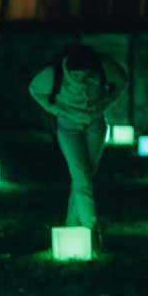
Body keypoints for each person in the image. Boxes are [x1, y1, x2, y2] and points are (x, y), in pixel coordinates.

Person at [28, 44, 126, 249]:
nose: (82, 79)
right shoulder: (53, 73)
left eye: (86, 75)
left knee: (84, 177)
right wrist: (53, 108)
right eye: (76, 75)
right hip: (68, 128)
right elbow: (34, 89)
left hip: (96, 126)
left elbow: (121, 81)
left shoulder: (103, 65)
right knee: (81, 176)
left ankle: (73, 225)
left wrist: (106, 102)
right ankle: (92, 229)